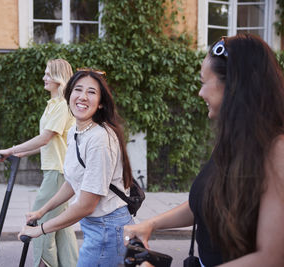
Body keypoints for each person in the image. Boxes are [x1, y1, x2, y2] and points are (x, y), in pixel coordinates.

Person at [124, 34, 284, 267]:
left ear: (232, 86)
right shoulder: (232, 142)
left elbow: (271, 258)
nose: (199, 93)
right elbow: (205, 201)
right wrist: (151, 224)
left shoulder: (277, 151)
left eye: (202, 82)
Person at [18, 69, 135, 266]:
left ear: (101, 103)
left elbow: (86, 205)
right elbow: (73, 182)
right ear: (69, 94)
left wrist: (41, 229)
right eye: (78, 89)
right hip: (97, 228)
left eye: (91, 92)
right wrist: (42, 211)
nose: (82, 96)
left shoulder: (99, 139)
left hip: (108, 229)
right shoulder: (75, 131)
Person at [0, 59, 78, 267]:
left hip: (57, 173)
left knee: (39, 225)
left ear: (59, 78)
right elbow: (52, 141)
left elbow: (45, 138)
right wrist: (23, 154)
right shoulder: (53, 105)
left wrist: (11, 149)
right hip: (57, 172)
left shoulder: (62, 105)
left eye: (48, 74)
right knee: (61, 228)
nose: (44, 78)